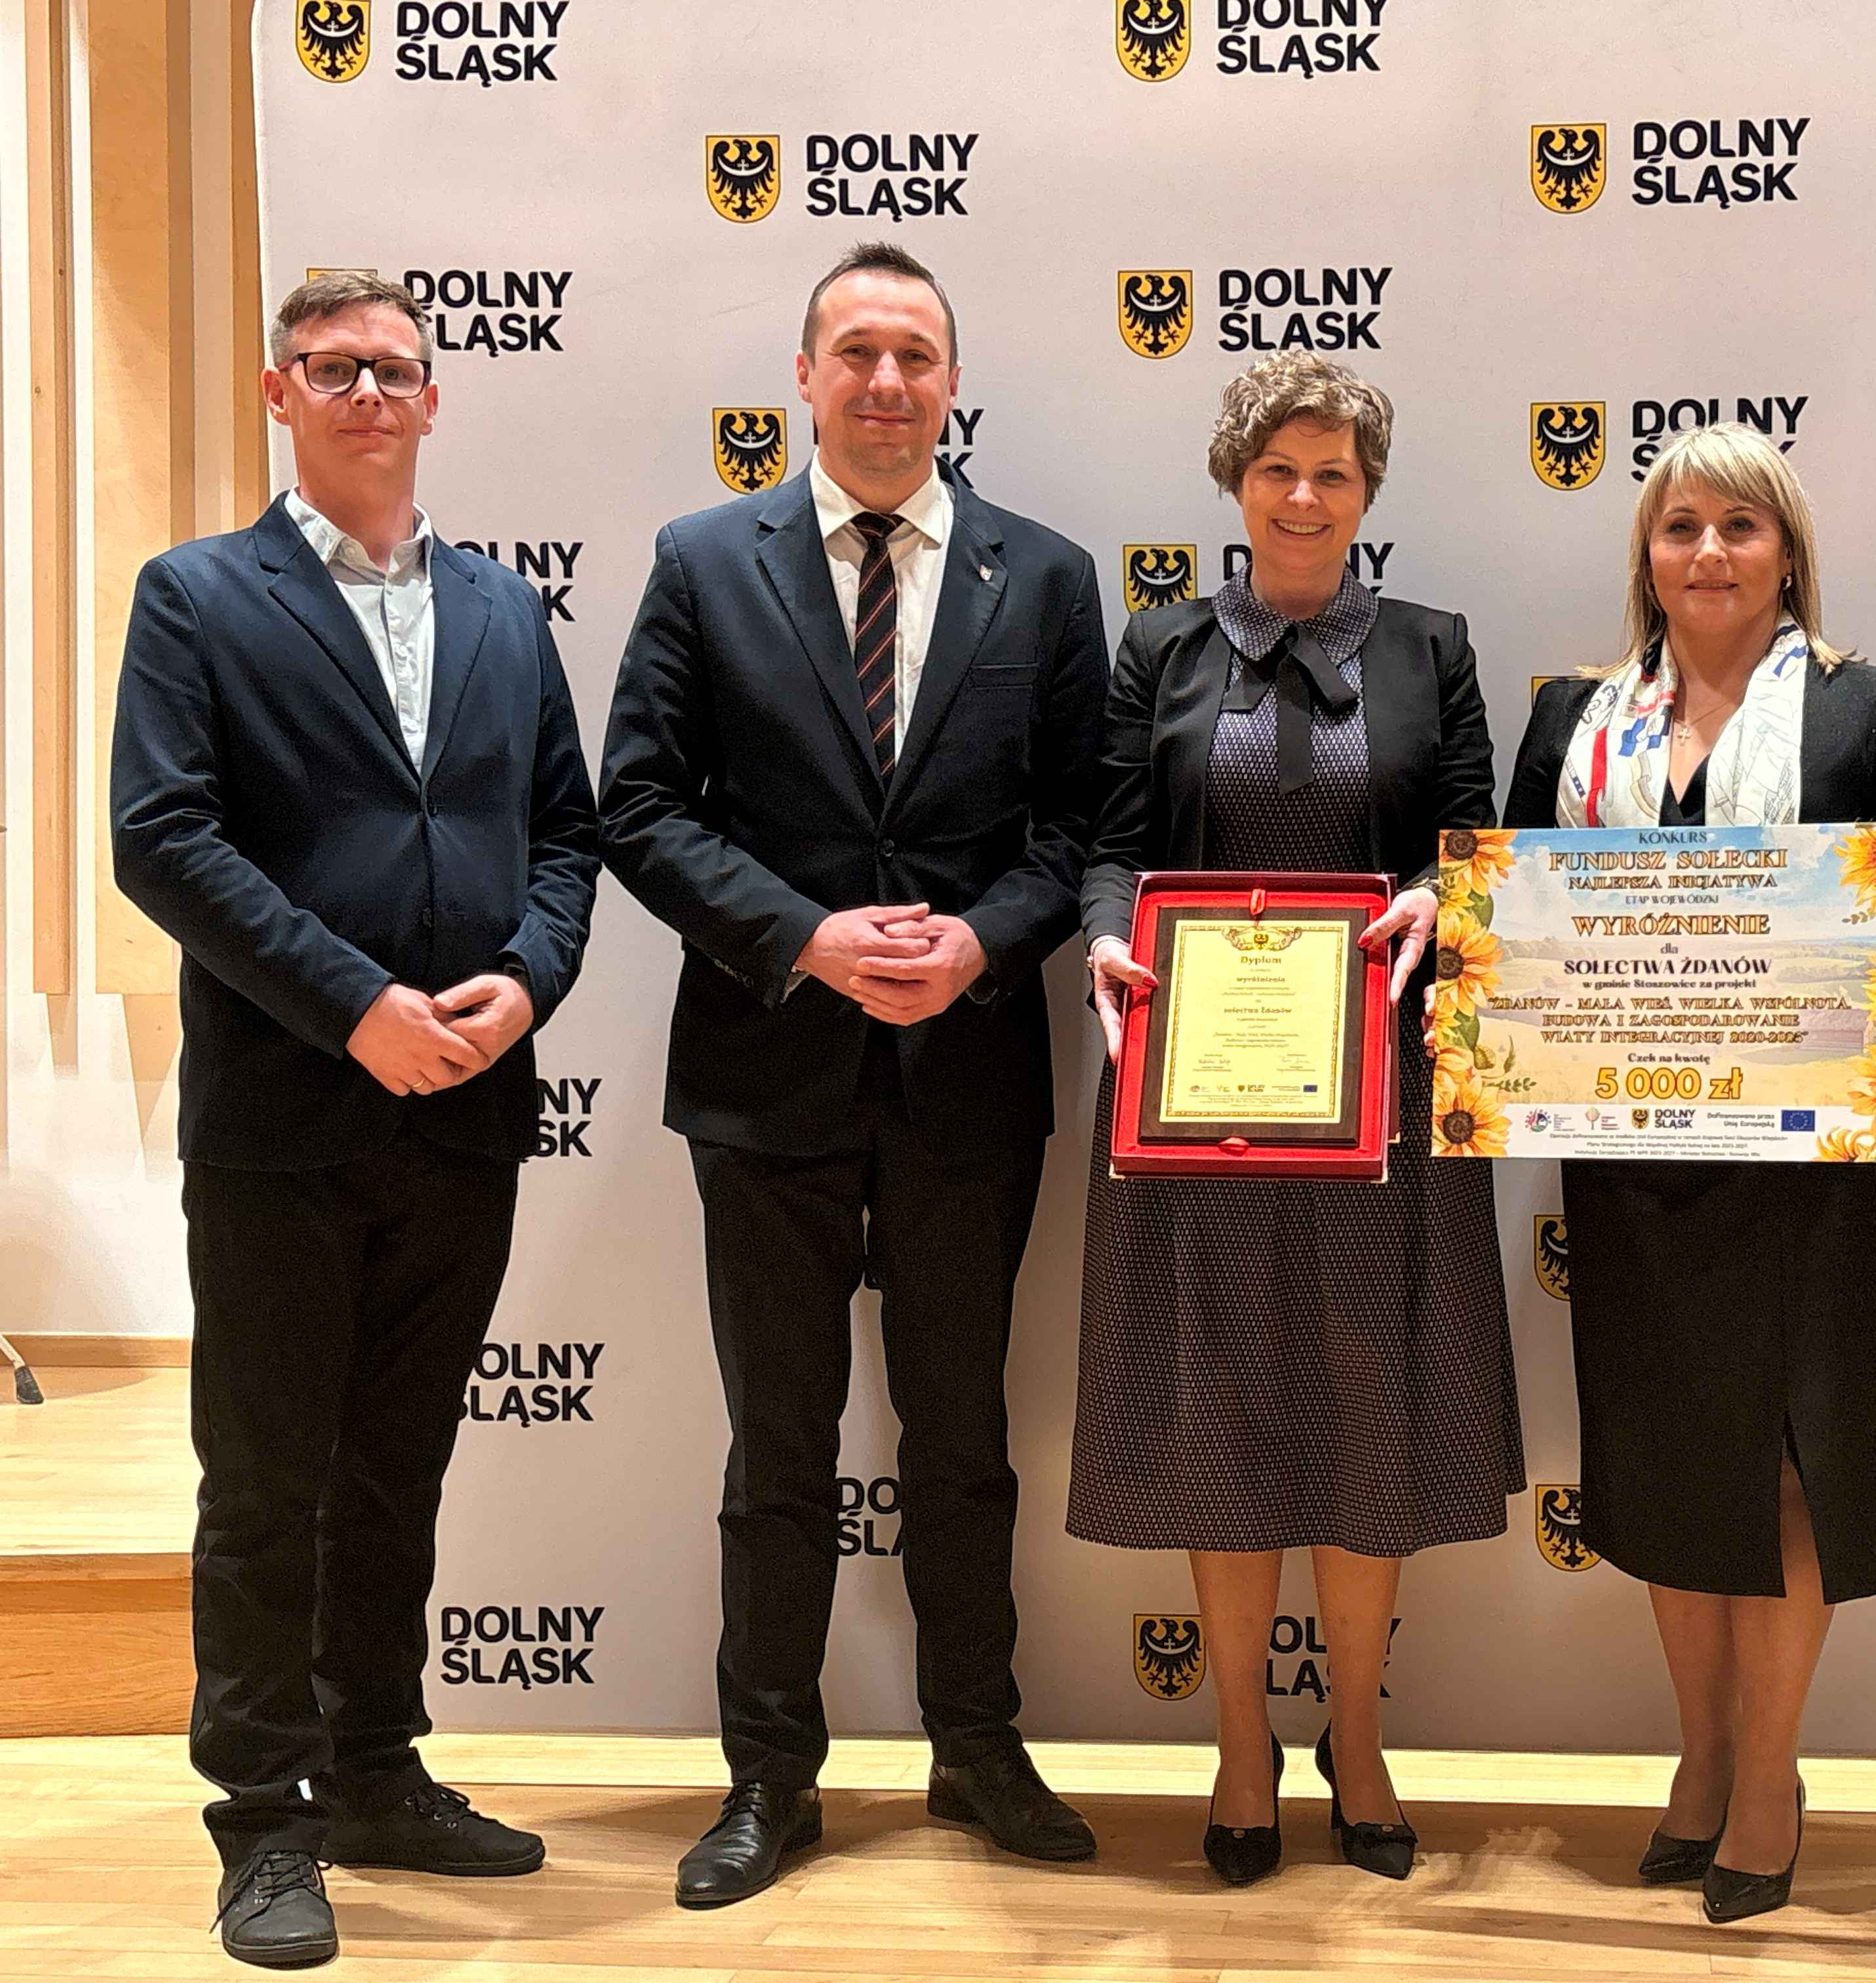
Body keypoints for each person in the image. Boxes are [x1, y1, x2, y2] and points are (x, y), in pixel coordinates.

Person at [599, 241, 1109, 1904]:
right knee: (778, 1450)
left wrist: (982, 943)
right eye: (858, 352)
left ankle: (977, 1746)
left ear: (954, 384)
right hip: (769, 1079)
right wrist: (807, 938)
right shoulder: (702, 562)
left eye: (917, 355)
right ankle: (769, 1779)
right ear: (805, 378)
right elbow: (638, 807)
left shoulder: (1047, 578)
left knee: (962, 1439)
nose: (888, 382)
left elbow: (1079, 831)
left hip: (969, 1077)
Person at [110, 271, 599, 1968]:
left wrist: (525, 984)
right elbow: (163, 838)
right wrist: (355, 1008)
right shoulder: (197, 596)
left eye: (396, 368)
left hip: (466, 1112)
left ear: (436, 397)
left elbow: (566, 837)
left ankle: (376, 1770)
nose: (370, 394)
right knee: (267, 1482)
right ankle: (263, 1819)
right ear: (281, 394)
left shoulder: (504, 610)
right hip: (282, 1118)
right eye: (334, 370)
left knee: (397, 1469)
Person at [1503, 423, 1876, 1923]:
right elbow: (1516, 915)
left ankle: (1770, 1772)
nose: (1708, 552)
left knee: (1788, 1458)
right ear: (1646, 557)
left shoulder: (1870, 707)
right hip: (1631, 1156)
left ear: (1789, 551)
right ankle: (1700, 1753)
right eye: (1681, 526)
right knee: (1662, 1461)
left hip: (1804, 1165)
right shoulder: (1574, 718)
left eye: (1740, 526)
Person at [1075, 353, 1524, 1887]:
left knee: (1365, 1401)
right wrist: (1107, 936)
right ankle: (1240, 1746)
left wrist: (1435, 898)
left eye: (1334, 472)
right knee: (1222, 1402)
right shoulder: (1160, 644)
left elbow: (1471, 839)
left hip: (1378, 1091)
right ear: (1236, 482)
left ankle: (1360, 1737)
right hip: (1192, 1091)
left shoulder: (1430, 647)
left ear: (1367, 492)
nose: (1306, 496)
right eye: (1279, 469)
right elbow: (1112, 845)